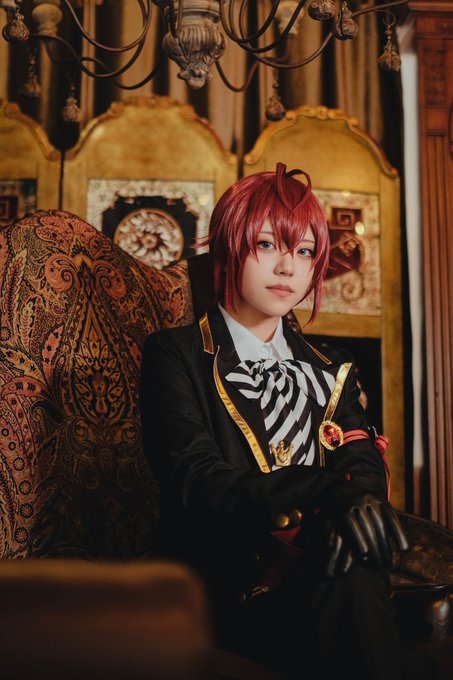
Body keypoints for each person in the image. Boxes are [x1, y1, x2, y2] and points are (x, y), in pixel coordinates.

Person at [140, 163, 408, 680]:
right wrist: (324, 490)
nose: (287, 267)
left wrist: (352, 500)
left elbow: (361, 462)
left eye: (304, 251)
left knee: (350, 569)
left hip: (325, 573)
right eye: (266, 245)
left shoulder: (332, 369)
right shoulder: (176, 355)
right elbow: (195, 478)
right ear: (229, 247)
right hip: (226, 588)